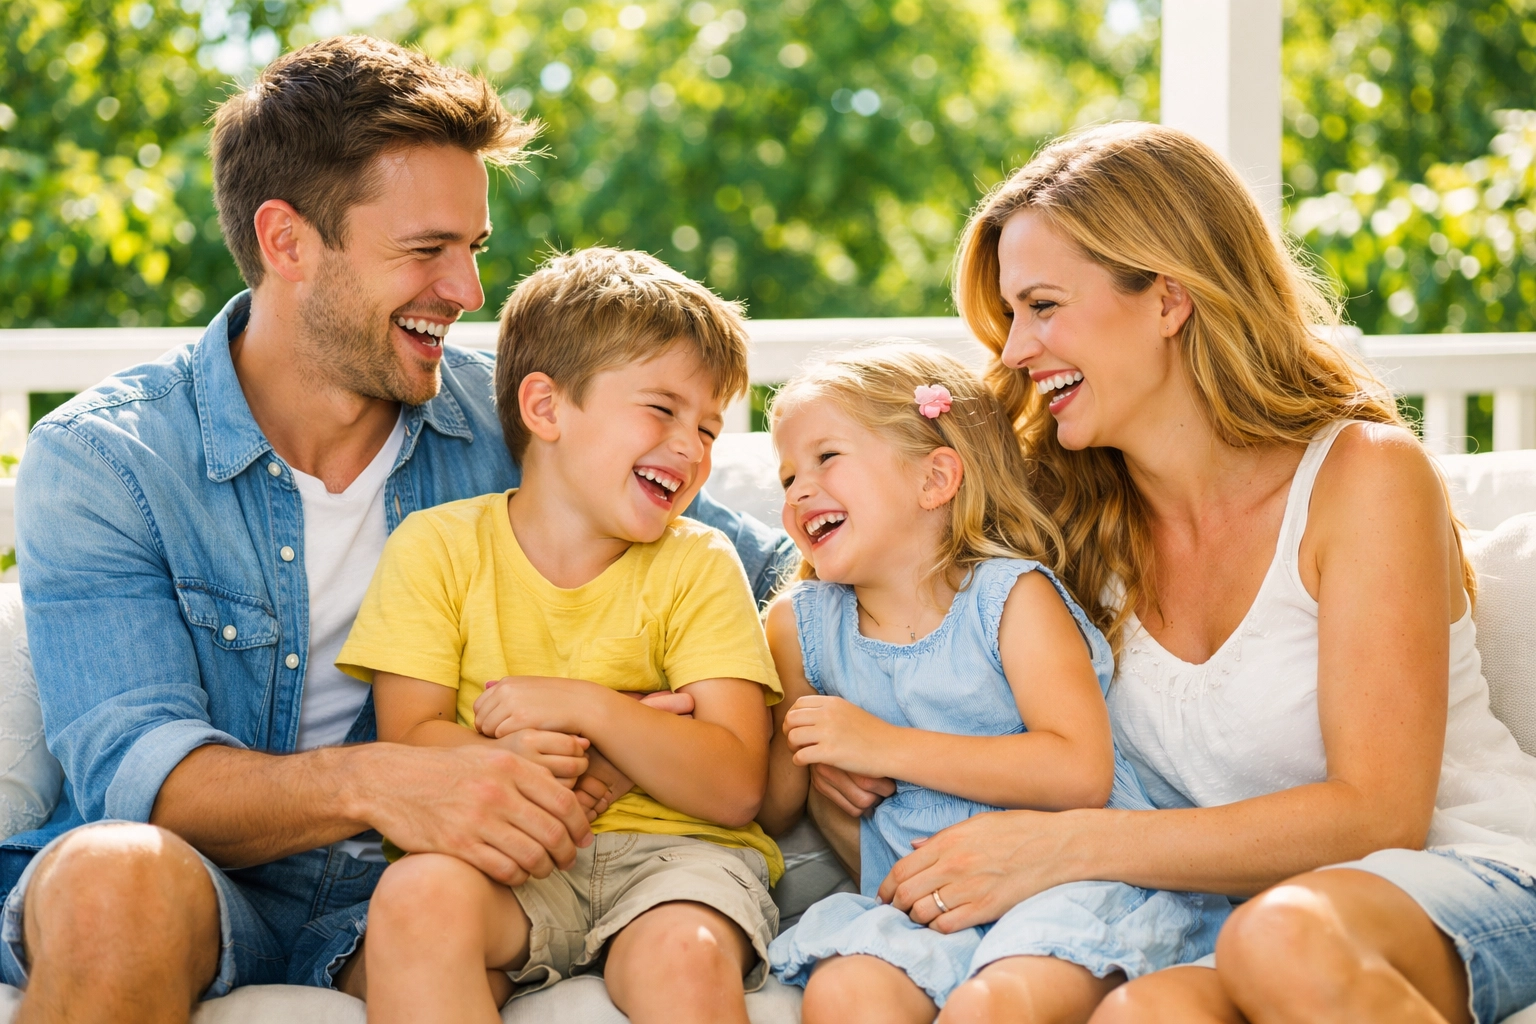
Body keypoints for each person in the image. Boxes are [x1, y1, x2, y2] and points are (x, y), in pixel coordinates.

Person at [5, 38, 785, 1024]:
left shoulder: (515, 416)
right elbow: (140, 773)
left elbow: (768, 569)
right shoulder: (107, 459)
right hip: (215, 884)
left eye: (475, 250)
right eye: (427, 251)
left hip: (460, 885)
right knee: (110, 875)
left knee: (437, 908)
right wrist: (386, 781)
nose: (468, 292)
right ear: (287, 241)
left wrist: (691, 721)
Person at [852, 123, 1536, 1024]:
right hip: (1223, 913)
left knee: (1281, 937)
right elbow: (873, 563)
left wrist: (1072, 850)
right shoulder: (1064, 527)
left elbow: (1379, 818)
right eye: (1012, 316)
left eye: (1044, 306)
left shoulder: (1363, 477)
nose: (1015, 350)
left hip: (1455, 876)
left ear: (1167, 299)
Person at [339, 248, 785, 1024]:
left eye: (709, 427)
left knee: (682, 954)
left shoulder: (700, 564)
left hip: (675, 862)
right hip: (505, 856)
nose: (692, 447)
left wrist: (592, 710)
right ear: (545, 408)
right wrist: (500, 761)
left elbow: (734, 782)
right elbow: (409, 743)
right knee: (414, 899)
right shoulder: (436, 548)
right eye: (663, 409)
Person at [757, 345, 1229, 1024]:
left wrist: (881, 746)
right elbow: (772, 808)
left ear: (934, 479)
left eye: (827, 458)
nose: (800, 491)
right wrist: (796, 749)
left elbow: (1078, 771)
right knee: (844, 996)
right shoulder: (798, 627)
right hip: (918, 912)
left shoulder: (1008, 599)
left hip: (1064, 892)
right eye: (787, 477)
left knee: (993, 1008)